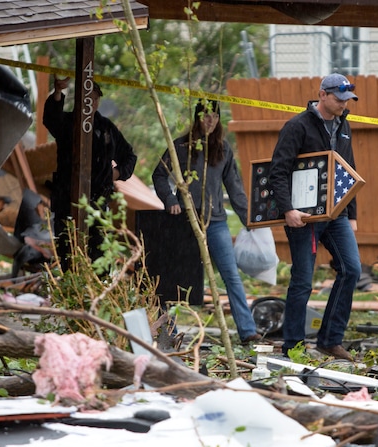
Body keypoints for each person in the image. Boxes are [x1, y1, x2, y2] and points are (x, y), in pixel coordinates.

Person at [268, 73, 362, 361]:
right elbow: (278, 171)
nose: (344, 105)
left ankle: (330, 340)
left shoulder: (344, 126)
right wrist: (288, 210)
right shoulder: (297, 126)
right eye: (339, 99)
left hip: (336, 215)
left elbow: (349, 170)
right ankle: (293, 347)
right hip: (303, 218)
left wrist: (352, 212)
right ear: (322, 95)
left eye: (347, 100)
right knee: (302, 281)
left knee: (352, 270)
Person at [152, 100, 260, 343]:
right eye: (206, 115)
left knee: (231, 275)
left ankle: (248, 332)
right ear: (197, 117)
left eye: (215, 116)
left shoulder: (223, 149)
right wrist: (170, 200)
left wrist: (249, 220)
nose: (211, 120)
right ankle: (167, 332)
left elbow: (235, 188)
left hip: (216, 221)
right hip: (185, 220)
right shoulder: (180, 146)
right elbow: (159, 175)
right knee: (174, 276)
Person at [43, 76, 137, 268]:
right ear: (79, 100)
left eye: (95, 99)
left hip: (99, 201)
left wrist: (116, 173)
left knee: (99, 258)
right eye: (87, 99)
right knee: (68, 255)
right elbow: (50, 119)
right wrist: (58, 93)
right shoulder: (67, 123)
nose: (91, 103)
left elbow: (129, 156)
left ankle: (96, 294)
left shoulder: (106, 128)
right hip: (67, 199)